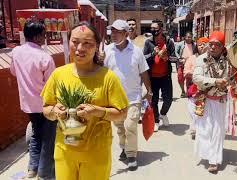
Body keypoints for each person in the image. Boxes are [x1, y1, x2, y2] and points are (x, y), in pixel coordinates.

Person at [41, 21, 129, 180]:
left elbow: (122, 113)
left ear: (97, 46)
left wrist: (98, 111)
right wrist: (55, 112)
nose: (80, 48)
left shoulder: (108, 78)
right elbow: (46, 108)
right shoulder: (58, 74)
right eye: (75, 42)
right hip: (65, 152)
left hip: (96, 153)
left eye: (87, 43)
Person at [10, 21, 56, 179]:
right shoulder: (45, 57)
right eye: (44, 35)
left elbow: (14, 72)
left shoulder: (16, 52)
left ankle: (32, 169)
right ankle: (43, 173)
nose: (45, 38)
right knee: (48, 139)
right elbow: (52, 84)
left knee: (36, 134)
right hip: (46, 104)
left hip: (28, 103)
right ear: (37, 37)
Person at [104, 19, 152, 171]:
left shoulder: (136, 51)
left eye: (118, 32)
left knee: (130, 125)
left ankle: (131, 155)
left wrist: (149, 91)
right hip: (114, 99)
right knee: (120, 128)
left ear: (126, 34)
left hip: (133, 97)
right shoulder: (107, 50)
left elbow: (144, 72)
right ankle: (124, 147)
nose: (114, 34)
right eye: (112, 31)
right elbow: (101, 72)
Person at [192, 31, 237, 173]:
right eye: (210, 44)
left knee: (218, 131)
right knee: (205, 130)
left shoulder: (229, 61)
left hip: (221, 101)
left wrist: (231, 84)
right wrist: (215, 81)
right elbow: (196, 78)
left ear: (222, 46)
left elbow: (232, 79)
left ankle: (214, 160)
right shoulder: (201, 59)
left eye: (216, 45)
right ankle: (207, 154)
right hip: (205, 99)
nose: (212, 47)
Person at [143, 19, 175, 132]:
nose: (153, 30)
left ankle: (163, 113)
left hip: (165, 76)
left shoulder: (169, 42)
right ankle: (156, 121)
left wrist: (167, 57)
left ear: (161, 29)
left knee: (168, 99)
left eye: (155, 29)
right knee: (154, 100)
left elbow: (175, 58)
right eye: (151, 28)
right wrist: (153, 53)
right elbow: (143, 58)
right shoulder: (148, 42)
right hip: (153, 77)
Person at [183, 37, 209, 140]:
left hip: (204, 89)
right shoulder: (192, 58)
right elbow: (186, 72)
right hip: (192, 88)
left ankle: (198, 128)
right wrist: (196, 74)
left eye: (204, 44)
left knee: (201, 110)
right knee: (192, 110)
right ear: (196, 46)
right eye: (200, 44)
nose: (202, 46)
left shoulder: (210, 59)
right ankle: (195, 127)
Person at [175, 32, 197, 98]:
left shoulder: (194, 45)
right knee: (180, 77)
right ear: (185, 37)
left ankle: (188, 92)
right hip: (182, 64)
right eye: (187, 37)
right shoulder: (180, 44)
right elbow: (176, 52)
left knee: (189, 79)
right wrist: (179, 58)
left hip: (191, 64)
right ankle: (182, 91)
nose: (189, 38)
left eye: (190, 37)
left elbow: (196, 53)